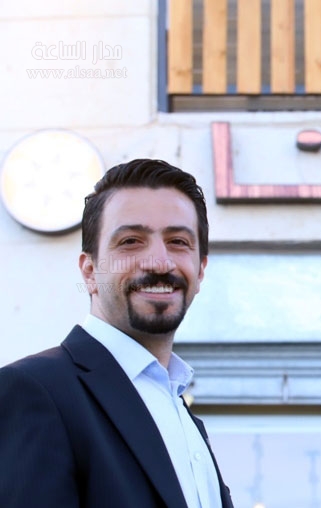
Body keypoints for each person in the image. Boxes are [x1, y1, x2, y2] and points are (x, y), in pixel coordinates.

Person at [0, 159, 234, 508]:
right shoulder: (35, 391)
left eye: (178, 241)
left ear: (200, 271)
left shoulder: (181, 411)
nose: (159, 262)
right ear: (90, 271)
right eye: (131, 241)